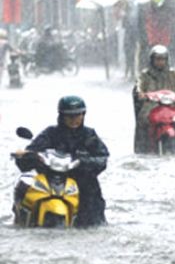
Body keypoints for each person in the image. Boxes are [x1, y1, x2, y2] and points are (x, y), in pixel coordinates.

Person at [14, 96, 109, 227]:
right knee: (26, 188)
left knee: (93, 214)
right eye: (69, 116)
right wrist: (26, 155)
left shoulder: (89, 136)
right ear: (61, 116)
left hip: (83, 184)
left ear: (83, 115)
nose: (74, 119)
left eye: (78, 115)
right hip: (50, 181)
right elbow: (31, 151)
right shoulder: (50, 133)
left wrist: (82, 162)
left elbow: (102, 157)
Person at [134, 44, 175, 152]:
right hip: (150, 107)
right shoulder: (145, 75)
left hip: (172, 107)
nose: (160, 62)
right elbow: (139, 86)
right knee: (143, 120)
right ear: (152, 60)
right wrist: (141, 94)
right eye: (157, 59)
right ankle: (143, 148)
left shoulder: (173, 74)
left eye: (163, 59)